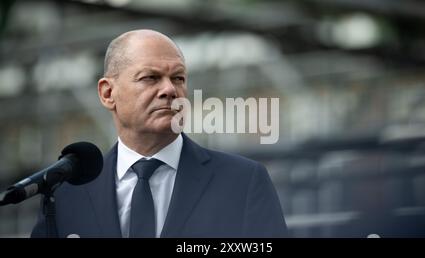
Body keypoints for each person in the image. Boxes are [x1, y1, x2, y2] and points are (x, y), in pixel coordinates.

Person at [31, 29, 288, 238]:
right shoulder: (66, 195)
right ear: (108, 93)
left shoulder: (242, 181)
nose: (169, 90)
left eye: (178, 78)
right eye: (150, 78)